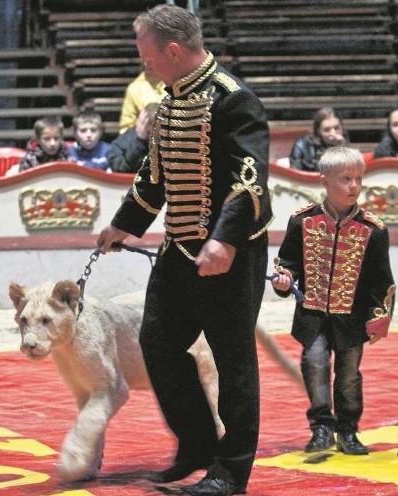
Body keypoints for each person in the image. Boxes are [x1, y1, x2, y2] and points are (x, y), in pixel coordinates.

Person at [96, 5, 273, 496]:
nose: (145, 64)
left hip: (231, 254)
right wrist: (123, 226)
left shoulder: (234, 101)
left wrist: (225, 238)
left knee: (233, 359)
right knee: (158, 343)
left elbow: (251, 180)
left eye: (148, 55)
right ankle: (196, 445)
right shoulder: (170, 99)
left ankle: (231, 471)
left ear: (172, 51)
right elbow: (154, 177)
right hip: (179, 248)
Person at [271, 146, 396, 457]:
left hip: (352, 318)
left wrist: (379, 318)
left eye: (358, 179)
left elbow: (382, 280)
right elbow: (287, 263)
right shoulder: (301, 221)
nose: (354, 186)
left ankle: (348, 429)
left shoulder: (374, 230)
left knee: (349, 374)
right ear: (324, 181)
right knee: (314, 364)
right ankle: (321, 425)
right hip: (311, 315)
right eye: (345, 179)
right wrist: (284, 280)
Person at [289, 107, 349, 171]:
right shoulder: (301, 145)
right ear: (318, 131)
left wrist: (342, 149)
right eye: (327, 130)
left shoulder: (342, 142)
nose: (333, 133)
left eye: (336, 128)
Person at [107, 102, 158, 173]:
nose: (152, 137)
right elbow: (118, 170)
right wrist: (140, 142)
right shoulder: (122, 142)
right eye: (149, 132)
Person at [118, 63, 166, 134]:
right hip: (144, 141)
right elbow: (125, 128)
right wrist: (139, 135)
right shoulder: (134, 89)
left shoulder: (178, 83)